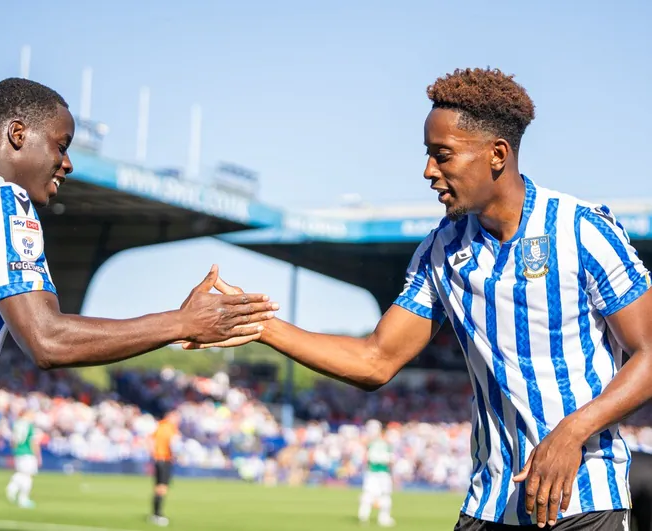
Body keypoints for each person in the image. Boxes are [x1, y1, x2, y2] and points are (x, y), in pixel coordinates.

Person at [187, 68, 652, 530]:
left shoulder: (580, 231)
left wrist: (572, 432)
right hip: (489, 505)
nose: (429, 171)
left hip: (584, 502)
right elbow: (376, 360)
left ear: (497, 154)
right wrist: (261, 325)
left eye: (443, 155)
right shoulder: (441, 251)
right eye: (429, 155)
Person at [0, 77, 278, 530]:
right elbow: (47, 340)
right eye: (61, 145)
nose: (68, 163)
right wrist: (182, 324)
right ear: (18, 135)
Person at [358, 420, 396, 527]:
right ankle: (382, 518)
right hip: (381, 472)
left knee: (369, 494)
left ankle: (364, 516)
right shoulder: (385, 443)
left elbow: (366, 458)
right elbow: (391, 460)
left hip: (374, 472)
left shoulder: (372, 443)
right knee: (383, 495)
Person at [150, 410, 181, 526]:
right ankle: (158, 514)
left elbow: (151, 441)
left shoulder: (160, 426)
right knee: (162, 487)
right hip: (165, 459)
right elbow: (173, 444)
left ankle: (155, 513)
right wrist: (178, 455)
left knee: (158, 487)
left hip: (158, 459)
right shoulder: (170, 428)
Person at [5, 409, 41, 509]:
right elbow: (32, 442)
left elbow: (13, 440)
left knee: (22, 473)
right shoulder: (29, 425)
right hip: (27, 452)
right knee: (28, 476)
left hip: (18, 452)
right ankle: (23, 498)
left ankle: (12, 487)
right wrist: (37, 455)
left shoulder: (16, 424)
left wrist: (15, 451)